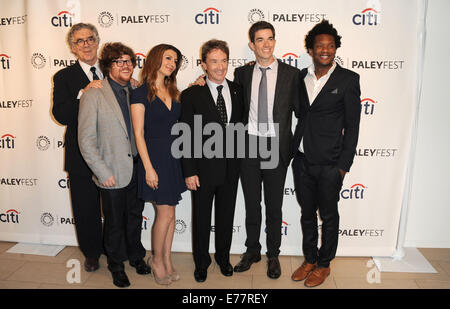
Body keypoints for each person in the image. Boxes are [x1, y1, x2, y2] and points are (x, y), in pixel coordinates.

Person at [291, 20, 361, 287]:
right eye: (320, 45)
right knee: (306, 213)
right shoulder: (300, 76)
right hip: (302, 159)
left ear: (335, 49)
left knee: (329, 216)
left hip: (331, 163)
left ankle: (323, 264)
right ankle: (309, 258)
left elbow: (353, 126)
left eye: (330, 45)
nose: (325, 50)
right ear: (311, 49)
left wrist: (343, 165)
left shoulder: (348, 79)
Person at [78, 42, 150, 288]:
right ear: (108, 66)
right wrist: (102, 171)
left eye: (130, 61)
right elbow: (86, 140)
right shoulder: (94, 94)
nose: (127, 65)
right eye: (120, 61)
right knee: (114, 224)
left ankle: (136, 257)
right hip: (111, 172)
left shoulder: (137, 90)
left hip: (137, 169)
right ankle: (116, 265)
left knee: (134, 218)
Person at [232, 21, 300, 279]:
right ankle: (252, 250)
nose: (266, 44)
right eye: (260, 39)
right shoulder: (242, 74)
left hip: (276, 147)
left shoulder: (292, 75)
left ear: (275, 41)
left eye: (270, 38)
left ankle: (273, 254)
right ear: (252, 45)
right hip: (248, 145)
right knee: (252, 204)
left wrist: (292, 149)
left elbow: (302, 113)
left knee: (274, 206)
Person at [180, 39, 244, 283]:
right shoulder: (192, 94)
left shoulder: (238, 90)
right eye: (214, 61)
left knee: (226, 216)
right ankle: (201, 262)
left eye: (224, 61)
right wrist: (189, 171)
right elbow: (186, 135)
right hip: (203, 170)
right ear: (204, 64)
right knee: (201, 218)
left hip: (231, 168)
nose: (220, 67)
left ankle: (223, 258)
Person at [130, 44, 186, 285]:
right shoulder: (141, 92)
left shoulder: (173, 90)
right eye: (168, 58)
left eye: (175, 60)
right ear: (155, 59)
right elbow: (138, 133)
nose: (172, 63)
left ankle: (167, 258)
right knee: (164, 214)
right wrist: (149, 168)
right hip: (154, 159)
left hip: (174, 158)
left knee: (171, 213)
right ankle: (157, 261)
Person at [52, 23, 103, 273]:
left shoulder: (114, 69)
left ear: (97, 41)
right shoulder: (63, 77)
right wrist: (82, 93)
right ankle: (92, 253)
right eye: (80, 41)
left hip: (113, 153)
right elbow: (60, 114)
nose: (86, 44)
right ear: (73, 47)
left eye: (90, 39)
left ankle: (117, 249)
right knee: (85, 206)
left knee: (116, 207)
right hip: (80, 154)